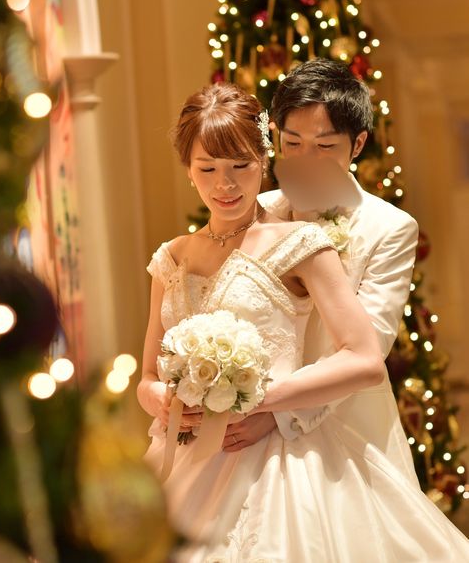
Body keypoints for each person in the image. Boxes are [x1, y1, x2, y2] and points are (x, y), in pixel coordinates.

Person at [137, 80, 469, 561]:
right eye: (207, 168)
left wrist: (255, 402)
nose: (224, 183)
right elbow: (149, 372)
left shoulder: (326, 236)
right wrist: (162, 399)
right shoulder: (174, 254)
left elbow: (365, 354)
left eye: (240, 166)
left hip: (306, 439)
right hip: (193, 450)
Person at [227, 59, 420, 486]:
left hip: (348, 428)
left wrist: (276, 413)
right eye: (292, 143)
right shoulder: (256, 212)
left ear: (358, 144)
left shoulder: (389, 228)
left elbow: (368, 346)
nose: (304, 161)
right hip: (245, 429)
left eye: (325, 146)